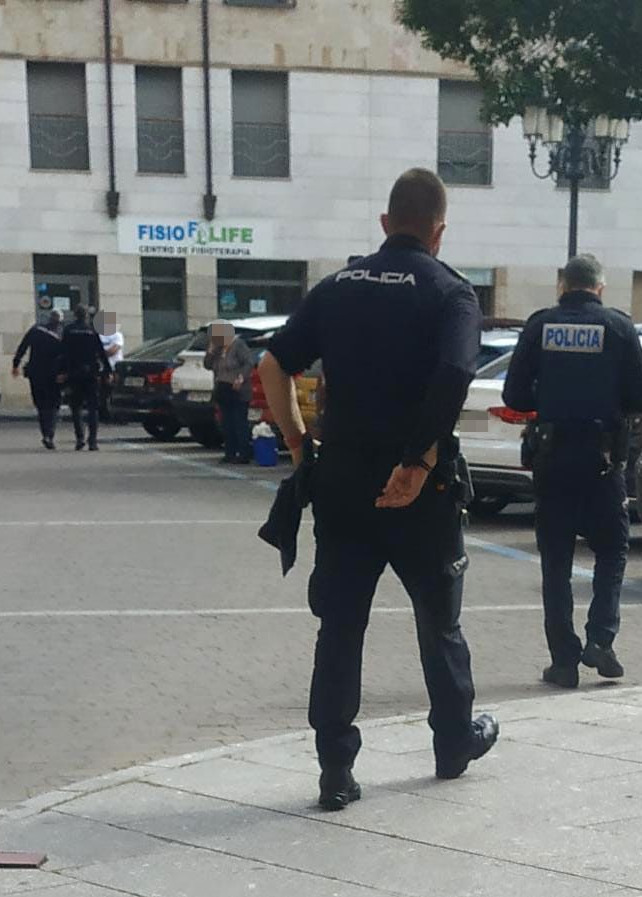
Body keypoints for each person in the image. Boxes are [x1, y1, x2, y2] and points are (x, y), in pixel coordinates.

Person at [256, 167, 499, 812]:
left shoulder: (338, 286)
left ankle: (335, 768)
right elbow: (456, 369)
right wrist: (417, 461)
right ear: (439, 232)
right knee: (439, 623)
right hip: (422, 489)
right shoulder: (451, 292)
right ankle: (453, 742)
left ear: (386, 224)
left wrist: (300, 441)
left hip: (341, 482)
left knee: (340, 626)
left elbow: (273, 363)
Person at [502, 254, 642, 690]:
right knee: (612, 549)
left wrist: (550, 395)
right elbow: (641, 396)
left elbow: (513, 394)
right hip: (603, 461)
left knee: (556, 562)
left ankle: (563, 661)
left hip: (551, 460)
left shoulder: (540, 326)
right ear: (600, 288)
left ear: (562, 285)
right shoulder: (619, 328)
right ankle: (601, 640)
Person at [59, 305, 111, 451]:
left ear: (75, 315)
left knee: (76, 407)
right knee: (93, 408)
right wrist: (108, 371)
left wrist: (61, 372)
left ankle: (80, 438)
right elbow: (101, 352)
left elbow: (63, 353)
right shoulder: (91, 331)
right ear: (86, 316)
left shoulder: (68, 330)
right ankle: (93, 441)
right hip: (91, 374)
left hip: (74, 374)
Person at [12, 310, 65, 450]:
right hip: (53, 374)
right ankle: (49, 435)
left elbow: (22, 347)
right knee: (53, 404)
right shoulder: (60, 335)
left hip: (35, 372)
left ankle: (46, 433)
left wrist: (15, 364)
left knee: (41, 405)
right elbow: (66, 355)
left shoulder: (36, 330)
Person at [204, 320, 255, 464]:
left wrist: (241, 377)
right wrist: (211, 350)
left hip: (238, 390)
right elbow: (207, 365)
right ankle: (230, 452)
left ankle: (244, 453)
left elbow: (249, 362)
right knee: (226, 423)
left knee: (239, 422)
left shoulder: (238, 345)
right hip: (223, 389)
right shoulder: (218, 349)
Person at [97, 312, 125, 422]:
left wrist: (101, 353)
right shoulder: (99, 335)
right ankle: (104, 415)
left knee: (114, 391)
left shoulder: (117, 335)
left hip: (114, 367)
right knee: (103, 392)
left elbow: (114, 350)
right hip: (102, 368)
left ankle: (118, 416)